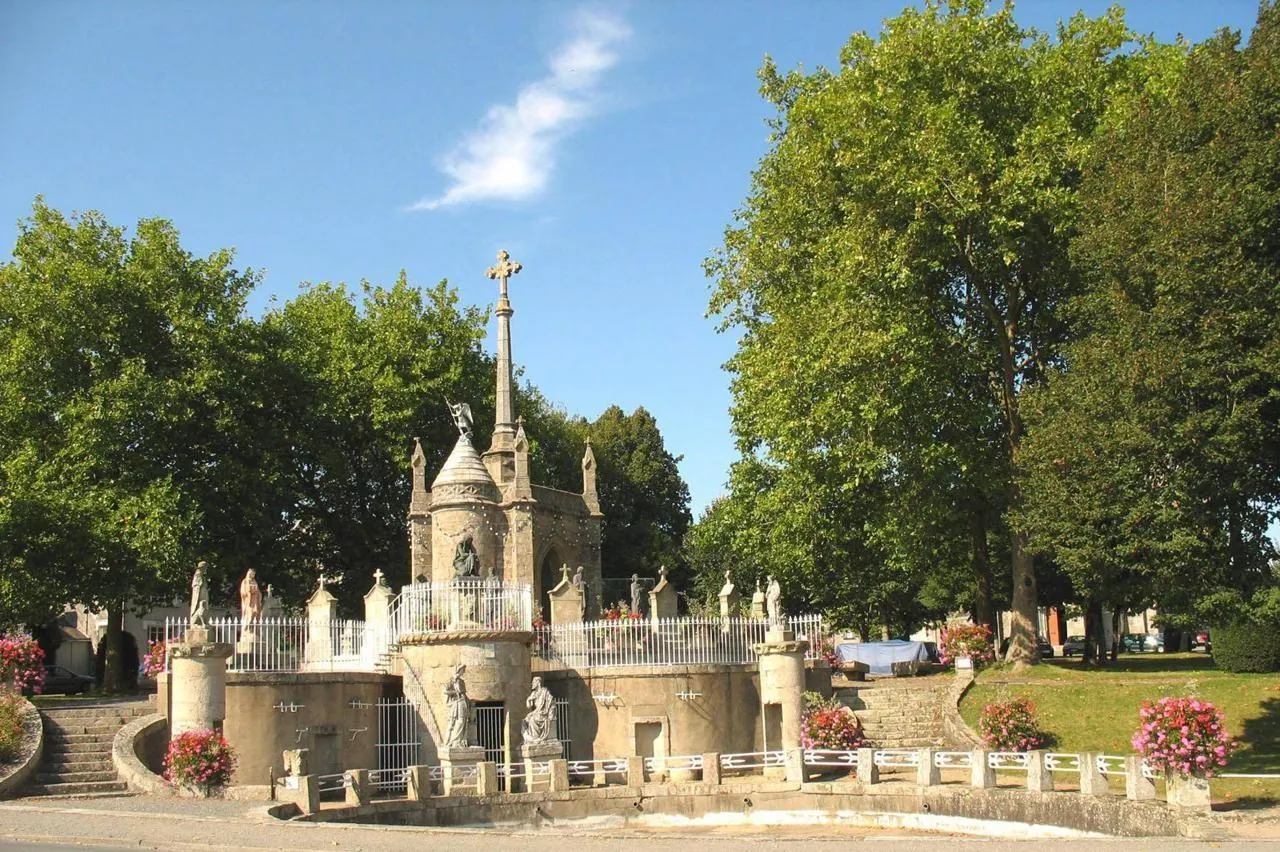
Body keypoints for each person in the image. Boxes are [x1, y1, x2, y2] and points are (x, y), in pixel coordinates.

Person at [520, 676, 557, 746]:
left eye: (533, 682)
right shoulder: (533, 693)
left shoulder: (545, 692)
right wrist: (529, 699)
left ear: (538, 683)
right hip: (537, 712)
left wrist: (549, 712)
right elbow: (529, 706)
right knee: (525, 721)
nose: (532, 684)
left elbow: (551, 702)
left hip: (543, 713)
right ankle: (531, 739)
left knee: (533, 720)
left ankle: (535, 737)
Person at [443, 664, 471, 748]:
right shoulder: (452, 680)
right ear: (458, 670)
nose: (464, 671)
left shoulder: (461, 681)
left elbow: (464, 693)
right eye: (463, 669)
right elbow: (445, 691)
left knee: (464, 721)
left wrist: (468, 702)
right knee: (459, 721)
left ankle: (461, 740)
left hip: (463, 702)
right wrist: (455, 693)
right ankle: (454, 740)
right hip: (457, 702)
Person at [190, 562, 210, 628]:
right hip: (199, 594)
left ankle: (204, 622)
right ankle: (196, 623)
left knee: (204, 607)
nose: (206, 569)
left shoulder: (202, 576)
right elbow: (196, 585)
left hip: (203, 593)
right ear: (202, 567)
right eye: (205, 567)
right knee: (199, 607)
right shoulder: (197, 575)